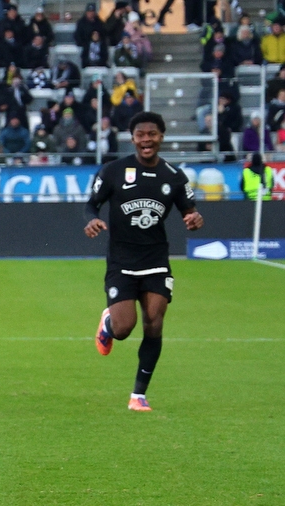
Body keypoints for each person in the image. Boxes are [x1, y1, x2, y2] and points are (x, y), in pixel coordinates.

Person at [85, 111, 204, 411]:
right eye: (141, 135)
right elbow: (91, 205)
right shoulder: (112, 171)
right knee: (125, 329)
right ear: (132, 138)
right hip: (122, 261)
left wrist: (193, 218)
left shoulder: (174, 177)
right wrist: (92, 220)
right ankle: (110, 321)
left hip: (156, 260)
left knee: (154, 322)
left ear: (161, 137)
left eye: (152, 134)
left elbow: (189, 210)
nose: (146, 140)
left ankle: (138, 395)